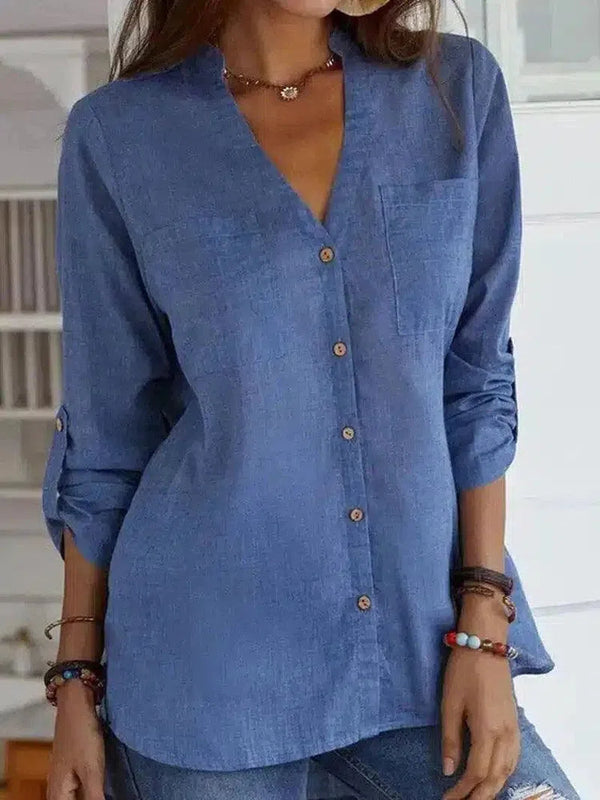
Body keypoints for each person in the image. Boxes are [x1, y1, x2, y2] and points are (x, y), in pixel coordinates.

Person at [41, 1, 581, 798]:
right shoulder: (119, 137)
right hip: (207, 684)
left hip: (425, 652)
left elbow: (475, 382)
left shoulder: (455, 91)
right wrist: (77, 683)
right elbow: (107, 435)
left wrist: (484, 622)